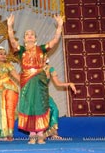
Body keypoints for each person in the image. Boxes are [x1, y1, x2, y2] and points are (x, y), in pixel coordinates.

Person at [7, 13, 63, 144]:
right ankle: (32, 134)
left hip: (40, 81)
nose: (30, 35)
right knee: (29, 105)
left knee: (40, 105)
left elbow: (54, 41)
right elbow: (12, 42)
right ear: (25, 39)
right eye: (27, 34)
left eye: (32, 34)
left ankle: (41, 133)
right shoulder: (21, 50)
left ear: (36, 38)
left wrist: (59, 26)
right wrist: (9, 27)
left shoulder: (41, 49)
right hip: (27, 81)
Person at [43, 58, 77, 139]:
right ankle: (38, 133)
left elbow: (58, 83)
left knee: (54, 109)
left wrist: (69, 84)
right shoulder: (33, 69)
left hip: (44, 93)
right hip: (34, 94)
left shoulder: (50, 69)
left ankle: (53, 132)